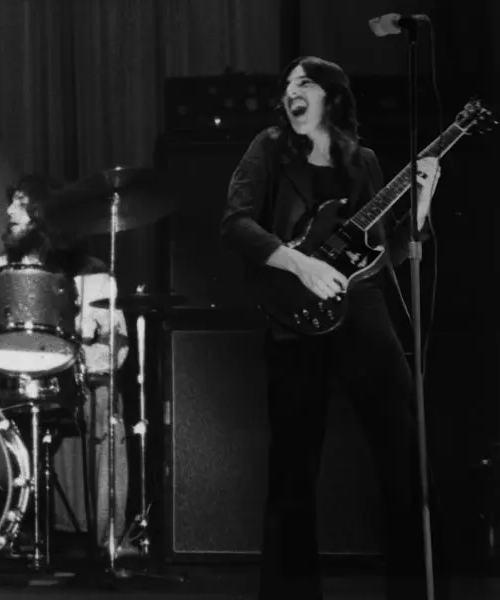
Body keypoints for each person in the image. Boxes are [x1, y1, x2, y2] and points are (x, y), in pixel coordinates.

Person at [221, 56, 441, 600]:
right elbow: (236, 223)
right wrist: (300, 264)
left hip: (363, 308)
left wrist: (421, 202)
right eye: (287, 85)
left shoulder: (364, 162)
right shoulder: (269, 149)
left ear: (332, 95)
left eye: (304, 82)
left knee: (402, 451)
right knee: (294, 468)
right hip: (294, 310)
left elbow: (388, 251)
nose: (291, 91)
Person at [0, 174, 129, 552]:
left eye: (19, 202)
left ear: (44, 213)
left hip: (69, 386)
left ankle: (110, 538)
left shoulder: (92, 273)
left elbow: (116, 349)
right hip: (3, 386)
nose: (8, 210)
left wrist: (88, 335)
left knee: (108, 404)